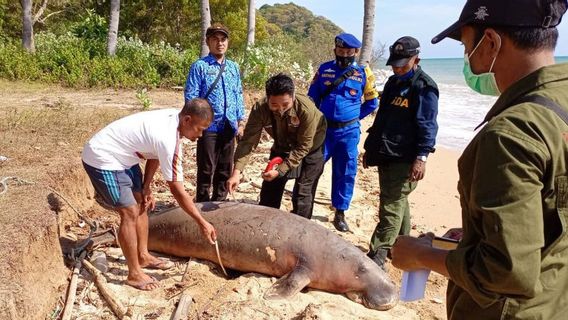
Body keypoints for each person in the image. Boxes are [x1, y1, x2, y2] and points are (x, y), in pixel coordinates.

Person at [390, 0, 568, 319]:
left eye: (466, 43)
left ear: (489, 43)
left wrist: (421, 255)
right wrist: (478, 232)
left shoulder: (511, 134)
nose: (466, 54)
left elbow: (505, 272)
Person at [82, 99, 217, 291]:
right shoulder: (167, 138)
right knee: (129, 212)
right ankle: (134, 274)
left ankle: (143, 255)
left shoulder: (175, 120)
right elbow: (177, 190)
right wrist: (202, 222)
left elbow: (153, 153)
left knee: (142, 203)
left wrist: (146, 186)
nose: (201, 135)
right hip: (103, 157)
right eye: (199, 129)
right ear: (187, 119)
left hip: (125, 157)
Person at [362, 36, 439, 271]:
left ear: (417, 59)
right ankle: (403, 247)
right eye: (395, 64)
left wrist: (421, 158)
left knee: (391, 206)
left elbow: (428, 125)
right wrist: (370, 148)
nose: (397, 68)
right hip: (385, 152)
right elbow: (382, 118)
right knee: (398, 202)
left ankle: (378, 253)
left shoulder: (424, 87)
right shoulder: (394, 83)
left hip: (405, 158)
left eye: (403, 64)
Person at [227, 73, 326, 219]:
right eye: (274, 105)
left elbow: (303, 146)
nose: (280, 109)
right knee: (270, 188)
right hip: (283, 145)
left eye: (285, 105)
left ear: (293, 96)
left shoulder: (306, 110)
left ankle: (300, 230)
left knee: (303, 193)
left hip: (311, 148)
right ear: (267, 99)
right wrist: (237, 172)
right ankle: (266, 224)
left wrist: (280, 170)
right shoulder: (260, 109)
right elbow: (248, 141)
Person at [308, 33, 380, 232]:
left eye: (349, 52)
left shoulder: (364, 73)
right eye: (341, 51)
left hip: (348, 133)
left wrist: (354, 118)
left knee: (345, 172)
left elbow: (372, 102)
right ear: (335, 50)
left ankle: (340, 213)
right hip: (323, 131)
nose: (344, 55)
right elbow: (311, 98)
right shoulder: (324, 70)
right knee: (313, 168)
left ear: (356, 52)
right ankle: (306, 207)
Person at [184, 23, 246, 202]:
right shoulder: (199, 66)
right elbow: (191, 96)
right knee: (206, 168)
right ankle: (202, 203)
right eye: (215, 39)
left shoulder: (233, 67)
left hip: (229, 124)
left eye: (223, 39)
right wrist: (196, 123)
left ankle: (219, 202)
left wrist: (240, 121)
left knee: (225, 168)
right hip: (208, 126)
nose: (220, 43)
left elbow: (238, 93)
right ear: (208, 42)